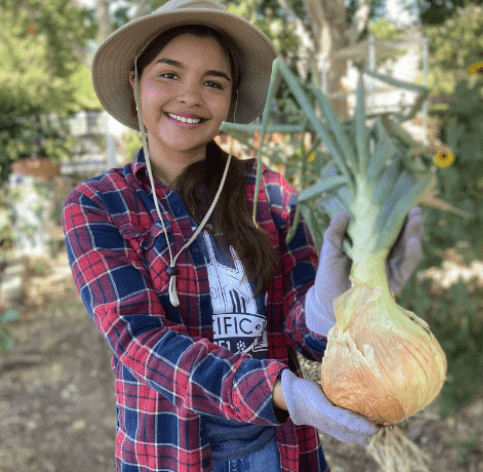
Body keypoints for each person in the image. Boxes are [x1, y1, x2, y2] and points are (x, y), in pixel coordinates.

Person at [62, 1, 425, 471]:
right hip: (170, 452)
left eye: (213, 83)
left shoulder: (267, 191)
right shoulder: (99, 204)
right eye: (169, 75)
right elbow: (139, 340)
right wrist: (283, 393)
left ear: (231, 100)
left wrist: (341, 303)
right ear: (134, 82)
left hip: (278, 451)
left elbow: (304, 330)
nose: (190, 96)